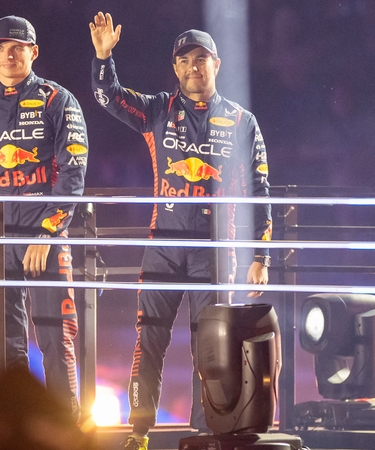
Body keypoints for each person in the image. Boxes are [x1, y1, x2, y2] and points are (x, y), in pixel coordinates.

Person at [89, 12, 272, 449]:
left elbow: (260, 189)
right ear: (175, 68)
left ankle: (204, 430)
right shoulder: (157, 110)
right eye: (185, 60)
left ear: (217, 64)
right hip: (163, 247)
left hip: (216, 253)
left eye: (202, 59)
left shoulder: (243, 122)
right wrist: (103, 57)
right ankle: (138, 433)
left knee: (210, 347)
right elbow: (106, 96)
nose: (194, 66)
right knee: (148, 339)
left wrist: (260, 255)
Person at [0, 15, 88, 421]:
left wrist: (47, 233)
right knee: (4, 344)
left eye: (17, 46)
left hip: (44, 239)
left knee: (55, 338)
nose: (9, 54)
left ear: (33, 52)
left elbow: (73, 173)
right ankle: (12, 431)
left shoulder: (57, 100)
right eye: (0, 47)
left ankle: (68, 432)